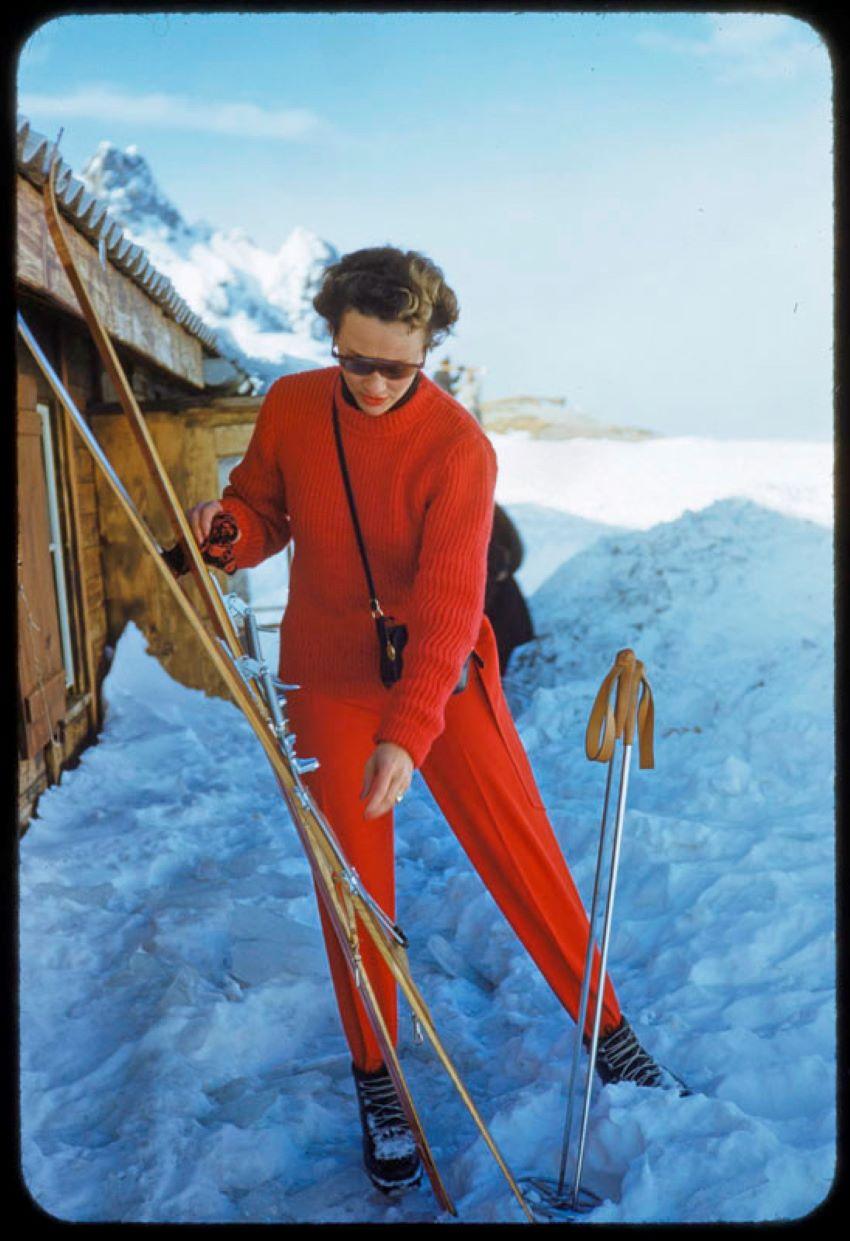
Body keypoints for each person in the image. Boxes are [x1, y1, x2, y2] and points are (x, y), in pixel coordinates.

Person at [187, 246, 682, 1198]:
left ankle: (609, 1032)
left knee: (524, 853)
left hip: (442, 684)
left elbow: (455, 603)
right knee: (354, 888)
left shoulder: (460, 446)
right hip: (329, 677)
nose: (372, 385)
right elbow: (262, 512)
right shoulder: (294, 405)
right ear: (333, 342)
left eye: (395, 367)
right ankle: (378, 1077)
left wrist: (407, 734)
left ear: (431, 349)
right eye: (355, 362)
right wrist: (225, 536)